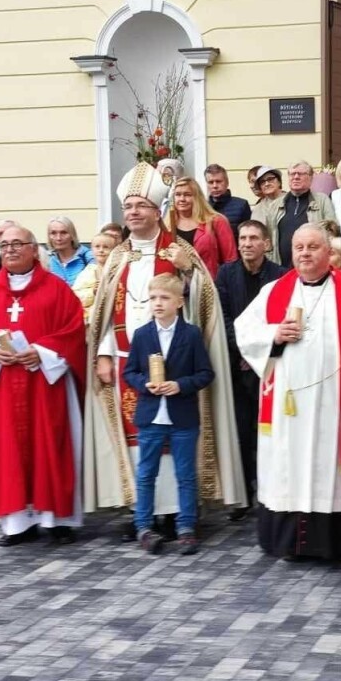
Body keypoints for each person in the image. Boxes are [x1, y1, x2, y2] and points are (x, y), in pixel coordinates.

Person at [84, 162, 246, 531]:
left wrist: (188, 272)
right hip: (130, 364)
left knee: (174, 437)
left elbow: (205, 303)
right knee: (139, 438)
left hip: (178, 365)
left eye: (141, 205)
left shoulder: (178, 250)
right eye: (128, 207)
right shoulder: (118, 257)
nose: (133, 212)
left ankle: (174, 510)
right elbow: (106, 311)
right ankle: (142, 510)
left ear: (158, 211)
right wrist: (105, 354)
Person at [236, 224, 341, 562]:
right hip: (289, 405)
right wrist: (274, 333)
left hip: (337, 404)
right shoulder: (274, 291)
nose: (304, 253)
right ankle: (289, 544)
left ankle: (340, 546)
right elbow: (244, 330)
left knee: (334, 473)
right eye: (298, 247)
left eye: (313, 246)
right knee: (290, 469)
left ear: (329, 253)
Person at [0, 224, 87, 546]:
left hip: (45, 387)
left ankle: (57, 519)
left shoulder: (57, 289)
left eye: (18, 244)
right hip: (1, 388)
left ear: (33, 249)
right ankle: (16, 524)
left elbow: (73, 331)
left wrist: (41, 352)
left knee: (51, 446)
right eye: (5, 245)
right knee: (6, 452)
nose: (11, 249)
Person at [123, 273, 215, 556]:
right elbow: (130, 372)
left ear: (179, 301)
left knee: (185, 474)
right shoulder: (141, 335)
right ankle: (144, 527)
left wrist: (180, 385)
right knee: (146, 473)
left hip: (182, 417)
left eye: (164, 298)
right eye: (153, 298)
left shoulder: (191, 334)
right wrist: (144, 385)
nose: (158, 303)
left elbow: (205, 373)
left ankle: (186, 526)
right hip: (150, 416)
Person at [215, 219, 286, 516]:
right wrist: (244, 349)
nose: (246, 243)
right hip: (236, 364)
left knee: (271, 431)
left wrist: (259, 350)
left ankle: (273, 490)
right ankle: (244, 495)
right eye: (242, 238)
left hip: (270, 366)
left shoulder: (280, 277)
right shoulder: (226, 274)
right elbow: (224, 317)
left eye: (254, 238)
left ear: (267, 244)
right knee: (241, 432)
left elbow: (280, 320)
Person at [253, 161, 336, 267]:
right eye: (292, 174)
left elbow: (333, 232)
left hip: (313, 265)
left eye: (300, 174)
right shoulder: (275, 205)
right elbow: (268, 239)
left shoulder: (322, 201)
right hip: (281, 268)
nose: (296, 177)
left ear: (311, 178)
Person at [169, 177, 238, 279]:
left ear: (197, 197)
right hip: (175, 288)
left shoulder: (217, 221)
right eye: (178, 195)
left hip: (209, 285)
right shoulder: (168, 224)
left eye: (187, 195)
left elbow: (230, 260)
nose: (182, 199)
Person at [71, 231, 118, 322]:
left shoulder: (118, 271)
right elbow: (75, 297)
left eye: (106, 247)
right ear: (92, 250)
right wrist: (93, 292)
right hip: (92, 321)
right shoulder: (88, 272)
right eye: (97, 247)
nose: (101, 250)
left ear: (114, 251)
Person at [204, 164, 252, 236]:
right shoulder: (202, 207)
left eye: (219, 181)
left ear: (227, 182)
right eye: (211, 182)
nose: (215, 186)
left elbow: (248, 234)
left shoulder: (242, 205)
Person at [46, 216, 95, 286]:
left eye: (64, 233)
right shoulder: (46, 260)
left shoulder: (89, 257)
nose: (58, 238)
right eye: (53, 233)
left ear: (72, 235)